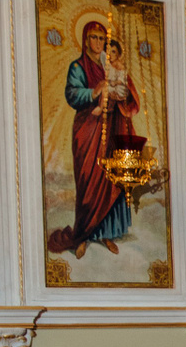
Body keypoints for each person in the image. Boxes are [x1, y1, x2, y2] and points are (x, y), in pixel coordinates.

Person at [48, 19, 137, 259]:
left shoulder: (110, 65)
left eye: (101, 38)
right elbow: (72, 94)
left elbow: (126, 91)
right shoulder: (78, 67)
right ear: (85, 40)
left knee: (111, 179)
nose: (98, 43)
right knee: (88, 180)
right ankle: (84, 236)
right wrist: (94, 91)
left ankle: (106, 233)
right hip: (88, 130)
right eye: (93, 38)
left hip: (111, 129)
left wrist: (123, 92)